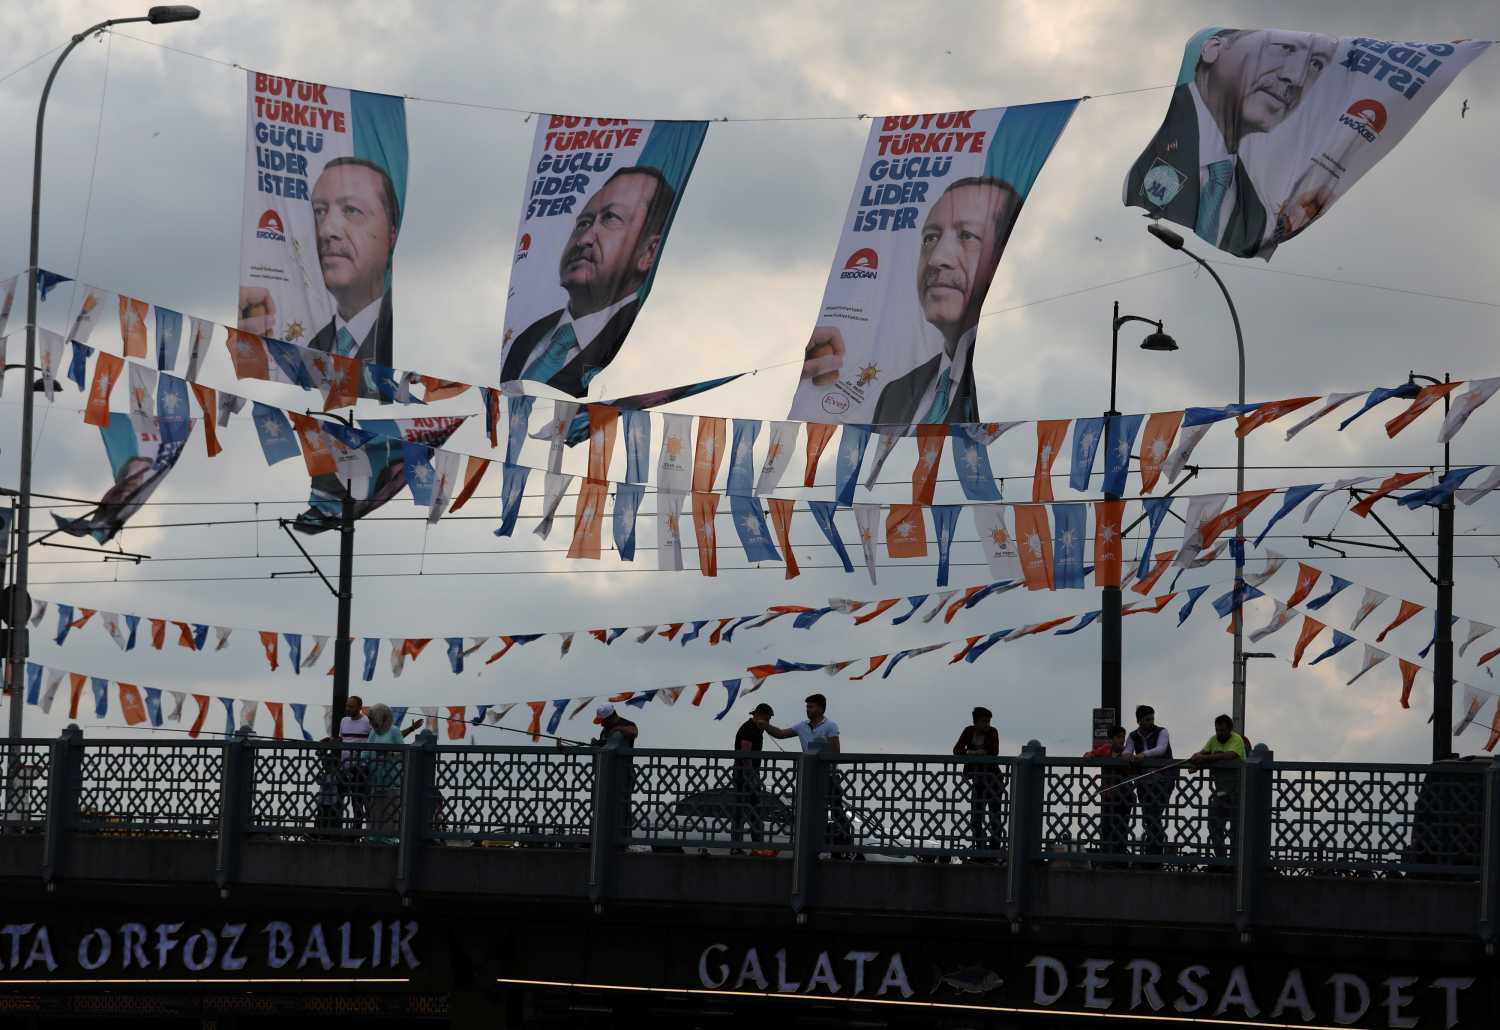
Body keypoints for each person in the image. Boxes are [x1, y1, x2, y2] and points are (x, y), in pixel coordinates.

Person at [799, 176, 1021, 426]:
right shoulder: (895, 393)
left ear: (1002, 254)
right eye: (930, 238)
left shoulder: (1017, 380)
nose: (937, 259)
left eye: (967, 236)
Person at [1123, 29, 1336, 257]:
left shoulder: (1255, 207)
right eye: (1284, 50)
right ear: (1213, 50)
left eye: (1315, 64)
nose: (1295, 78)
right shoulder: (1170, 151)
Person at [501, 166, 676, 397]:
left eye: (611, 219)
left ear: (649, 252)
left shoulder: (649, 346)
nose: (584, 239)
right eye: (583, 223)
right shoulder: (526, 338)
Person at [301, 157, 401, 365]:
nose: (327, 230)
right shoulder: (309, 349)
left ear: (391, 235)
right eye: (319, 211)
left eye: (352, 210)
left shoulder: (424, 330)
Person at [767, 694, 854, 853]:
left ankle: (843, 845)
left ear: (820, 708)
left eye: (811, 706)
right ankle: (815, 844)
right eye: (807, 706)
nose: (808, 710)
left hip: (828, 776)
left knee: (836, 810)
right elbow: (780, 734)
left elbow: (836, 752)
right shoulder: (802, 726)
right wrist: (766, 726)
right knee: (812, 810)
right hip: (810, 776)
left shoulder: (830, 726)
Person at [364, 704, 424, 845]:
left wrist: (389, 754)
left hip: (391, 776)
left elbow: (402, 751)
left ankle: (389, 836)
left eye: (373, 718)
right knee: (375, 806)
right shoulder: (373, 733)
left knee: (390, 806)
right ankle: (373, 835)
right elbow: (366, 751)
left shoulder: (394, 731)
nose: (371, 721)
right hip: (375, 775)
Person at [1191, 714, 1248, 862]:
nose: (1219, 733)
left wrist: (1205, 758)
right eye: (1217, 730)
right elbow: (1203, 753)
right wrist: (1197, 759)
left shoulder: (1236, 739)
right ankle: (1221, 860)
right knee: (1214, 825)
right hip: (1221, 792)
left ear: (1230, 729)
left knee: (1236, 829)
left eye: (1222, 730)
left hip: (1237, 791)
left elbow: (1229, 756)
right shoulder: (1213, 740)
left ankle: (1235, 861)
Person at [1123, 704, 1176, 859]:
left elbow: (1161, 749)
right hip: (1144, 782)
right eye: (1147, 719)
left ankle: (1154, 852)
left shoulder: (1162, 732)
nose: (1151, 721)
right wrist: (1126, 755)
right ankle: (1152, 852)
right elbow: (1128, 749)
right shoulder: (1133, 735)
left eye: (1152, 718)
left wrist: (1143, 755)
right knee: (1148, 816)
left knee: (1154, 814)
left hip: (1163, 780)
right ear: (1139, 721)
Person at [952, 707, 1004, 861]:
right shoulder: (968, 731)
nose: (987, 724)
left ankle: (994, 851)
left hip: (993, 780)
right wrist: (974, 753)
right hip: (978, 780)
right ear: (975, 722)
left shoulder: (993, 732)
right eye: (984, 721)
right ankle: (979, 848)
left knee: (995, 816)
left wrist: (971, 751)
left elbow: (993, 751)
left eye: (988, 721)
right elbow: (957, 750)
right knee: (976, 817)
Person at [730, 703, 774, 855]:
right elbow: (745, 754)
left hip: (747, 773)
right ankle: (745, 846)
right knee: (744, 810)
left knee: (750, 810)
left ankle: (755, 845)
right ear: (759, 715)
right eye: (767, 719)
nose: (767, 723)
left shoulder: (757, 729)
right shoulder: (749, 729)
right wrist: (752, 777)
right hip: (745, 774)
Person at [1085, 726, 1132, 860]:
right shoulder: (1106, 749)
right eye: (1118, 737)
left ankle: (1119, 859)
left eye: (1123, 737)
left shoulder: (1126, 752)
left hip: (1124, 796)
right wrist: (1089, 755)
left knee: (1122, 828)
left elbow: (1133, 770)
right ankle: (1106, 858)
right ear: (1111, 739)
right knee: (1106, 827)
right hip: (1108, 796)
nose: (1122, 740)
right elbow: (1092, 754)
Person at [337, 694, 373, 833]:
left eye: (351, 706)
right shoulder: (344, 721)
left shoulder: (367, 722)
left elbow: (375, 740)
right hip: (344, 766)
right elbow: (343, 739)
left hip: (360, 768)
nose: (348, 709)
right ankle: (336, 829)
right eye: (347, 706)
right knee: (338, 798)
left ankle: (356, 832)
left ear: (359, 707)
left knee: (357, 801)